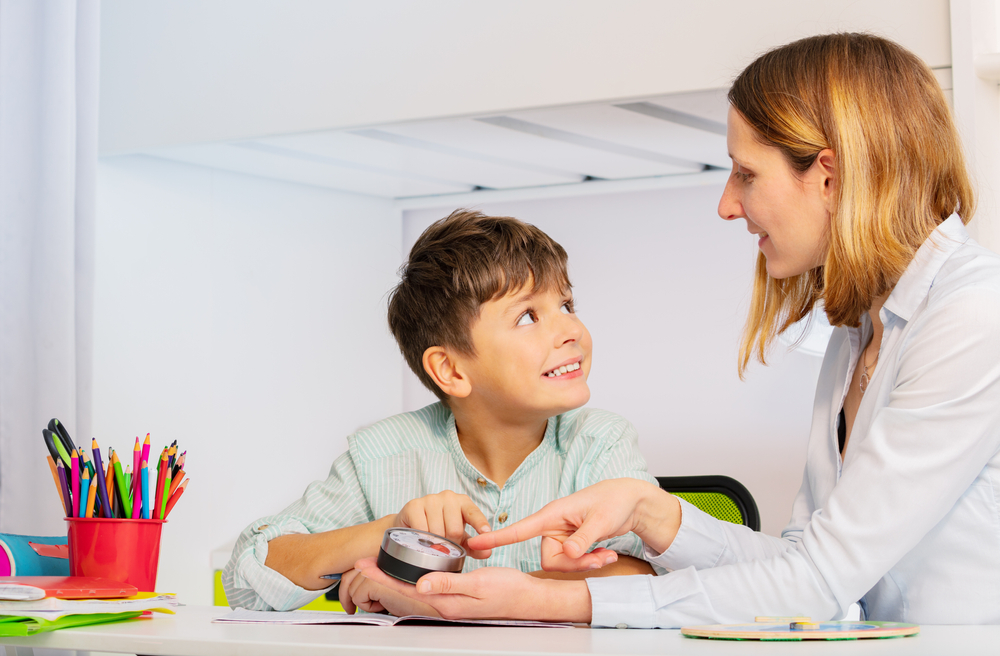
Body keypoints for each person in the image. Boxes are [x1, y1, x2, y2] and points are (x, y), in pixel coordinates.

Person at [354, 33, 1000, 626]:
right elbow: (802, 560)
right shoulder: (857, 335)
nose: (727, 204)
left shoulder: (972, 314)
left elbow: (815, 586)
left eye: (746, 173)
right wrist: (650, 511)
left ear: (827, 176)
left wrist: (551, 600)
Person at [222, 209, 660, 613]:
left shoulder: (600, 443)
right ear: (450, 370)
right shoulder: (380, 454)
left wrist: (435, 596)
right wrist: (386, 534)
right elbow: (245, 580)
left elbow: (650, 579)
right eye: (528, 316)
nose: (571, 330)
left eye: (566, 305)